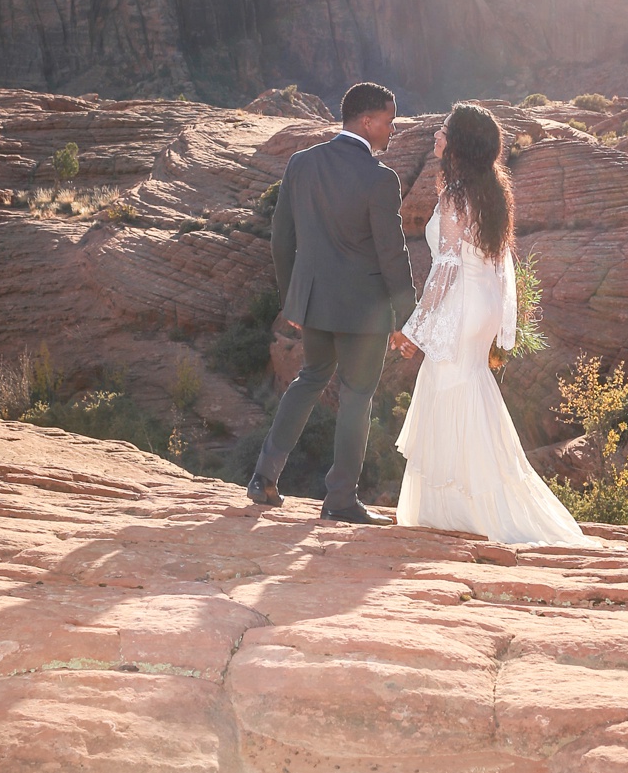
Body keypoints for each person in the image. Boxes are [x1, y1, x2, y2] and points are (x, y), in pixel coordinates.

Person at [392, 102, 600, 547]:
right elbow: (499, 264)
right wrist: (503, 324)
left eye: (443, 129)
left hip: (462, 304)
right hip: (480, 305)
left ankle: (464, 510)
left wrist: (415, 327)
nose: (436, 134)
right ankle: (469, 505)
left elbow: (445, 268)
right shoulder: (491, 191)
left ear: (459, 142)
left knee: (450, 388)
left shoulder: (455, 195)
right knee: (469, 389)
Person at [247, 82, 416, 525]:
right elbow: (392, 254)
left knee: (309, 379)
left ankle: (264, 476)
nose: (392, 130)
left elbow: (281, 239)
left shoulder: (302, 163)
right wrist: (408, 315)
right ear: (366, 121)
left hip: (315, 303)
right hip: (365, 312)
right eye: (388, 121)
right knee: (357, 397)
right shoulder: (380, 178)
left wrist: (293, 301)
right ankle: (340, 500)